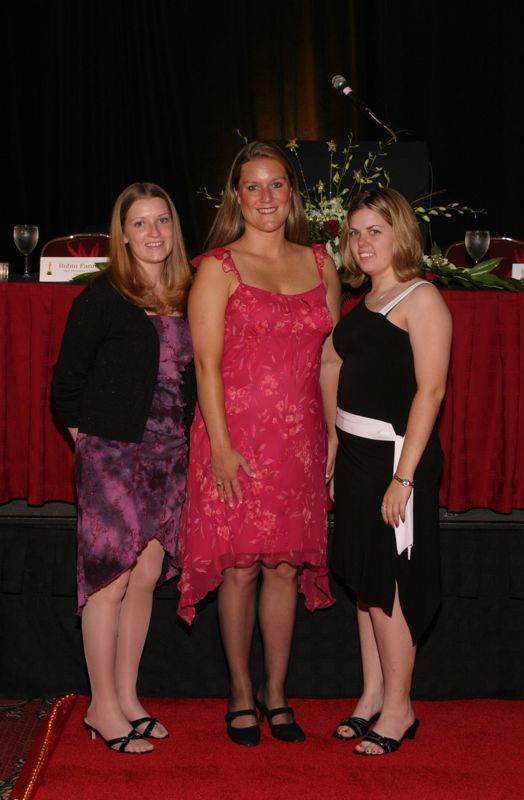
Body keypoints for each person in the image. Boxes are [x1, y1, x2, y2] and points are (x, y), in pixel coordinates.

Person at [177, 141, 341, 746]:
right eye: (254, 186)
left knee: (284, 569)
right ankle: (240, 693)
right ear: (235, 197)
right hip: (236, 438)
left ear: (291, 193)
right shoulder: (218, 266)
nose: (266, 197)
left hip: (300, 443)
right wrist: (219, 445)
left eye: (276, 184)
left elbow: (330, 360)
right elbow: (206, 363)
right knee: (241, 568)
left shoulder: (323, 263)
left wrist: (333, 438)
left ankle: (277, 692)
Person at [51, 182, 193, 754]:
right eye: (140, 223)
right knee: (107, 582)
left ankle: (129, 698)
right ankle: (101, 708)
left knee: (144, 579)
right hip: (114, 457)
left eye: (162, 221)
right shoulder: (102, 298)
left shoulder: (189, 293)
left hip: (172, 459)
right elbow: (65, 388)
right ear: (122, 232)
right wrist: (95, 446)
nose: (153, 233)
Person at [330, 188, 452, 756]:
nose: (362, 242)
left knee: (390, 588)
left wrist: (403, 478)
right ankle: (372, 693)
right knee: (364, 581)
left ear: (401, 233)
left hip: (395, 460)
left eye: (374, 230)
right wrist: (334, 445)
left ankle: (399, 709)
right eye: (355, 232)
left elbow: (431, 391)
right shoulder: (370, 297)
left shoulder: (421, 298)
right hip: (355, 457)